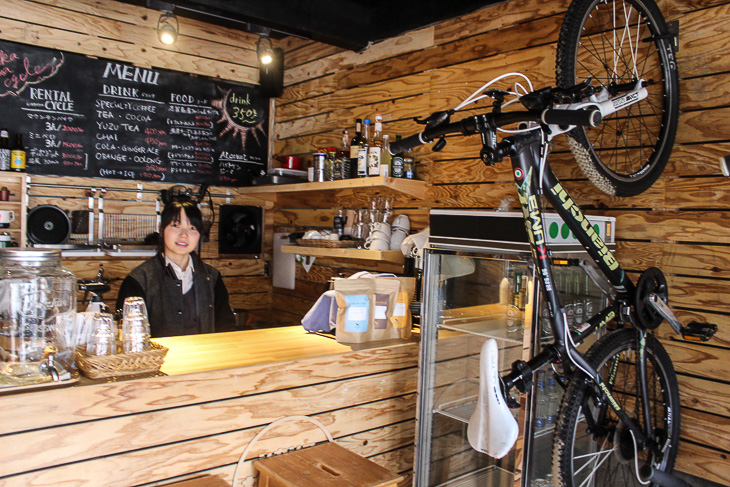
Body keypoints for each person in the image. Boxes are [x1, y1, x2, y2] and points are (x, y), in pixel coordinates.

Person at [116, 198, 235, 337]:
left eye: (192, 228)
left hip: (205, 356)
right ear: (161, 229)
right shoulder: (139, 280)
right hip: (158, 358)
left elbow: (226, 327)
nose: (184, 234)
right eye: (176, 226)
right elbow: (128, 335)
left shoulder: (212, 277)